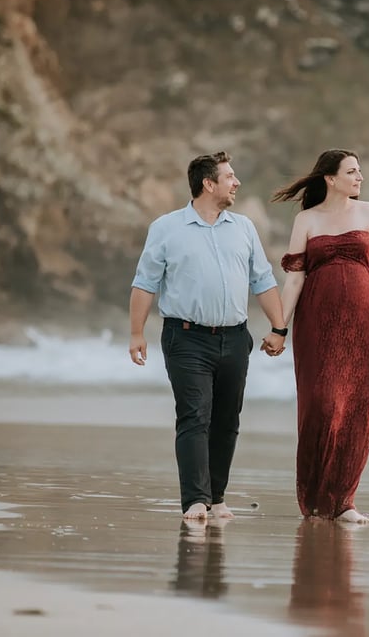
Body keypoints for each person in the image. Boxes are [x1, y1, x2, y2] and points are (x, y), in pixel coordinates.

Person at [129, 151, 287, 520]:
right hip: (186, 339)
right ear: (208, 183)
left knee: (227, 421)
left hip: (234, 338)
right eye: (230, 177)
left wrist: (279, 328)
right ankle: (195, 501)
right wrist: (136, 332)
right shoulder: (166, 228)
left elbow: (262, 280)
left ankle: (216, 498)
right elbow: (144, 282)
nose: (237, 183)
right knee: (194, 416)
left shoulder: (243, 227)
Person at [271, 149, 369, 525]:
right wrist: (280, 327)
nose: (359, 177)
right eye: (352, 171)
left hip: (367, 326)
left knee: (357, 408)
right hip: (317, 325)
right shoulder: (307, 220)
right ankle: (314, 499)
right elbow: (294, 278)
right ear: (330, 178)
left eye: (360, 171)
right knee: (323, 405)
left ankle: (343, 500)